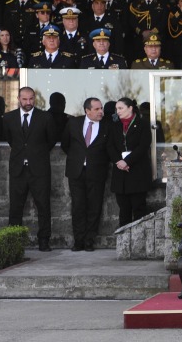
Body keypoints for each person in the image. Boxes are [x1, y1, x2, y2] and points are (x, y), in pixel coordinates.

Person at [1, 87, 58, 250]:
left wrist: (36, 153)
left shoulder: (45, 117)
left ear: (35, 99)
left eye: (31, 99)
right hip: (18, 168)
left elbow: (51, 140)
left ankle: (44, 240)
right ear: (19, 98)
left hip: (39, 169)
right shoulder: (8, 118)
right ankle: (14, 242)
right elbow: (11, 139)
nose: (28, 102)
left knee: (43, 205)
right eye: (25, 99)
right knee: (15, 206)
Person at [62, 98, 109, 251]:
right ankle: (78, 241)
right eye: (96, 109)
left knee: (94, 207)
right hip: (76, 171)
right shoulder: (74, 123)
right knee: (78, 207)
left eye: (101, 108)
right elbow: (65, 144)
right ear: (87, 110)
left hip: (97, 172)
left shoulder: (107, 126)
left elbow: (109, 149)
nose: (100, 111)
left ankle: (89, 241)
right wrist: (78, 158)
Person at [107, 97, 151, 227]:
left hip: (137, 171)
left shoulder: (143, 124)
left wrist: (127, 162)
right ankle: (124, 243)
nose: (118, 111)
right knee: (123, 209)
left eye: (120, 108)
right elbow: (109, 146)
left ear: (130, 108)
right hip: (120, 173)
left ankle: (140, 242)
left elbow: (143, 146)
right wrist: (119, 161)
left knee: (139, 209)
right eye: (116, 108)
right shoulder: (114, 125)